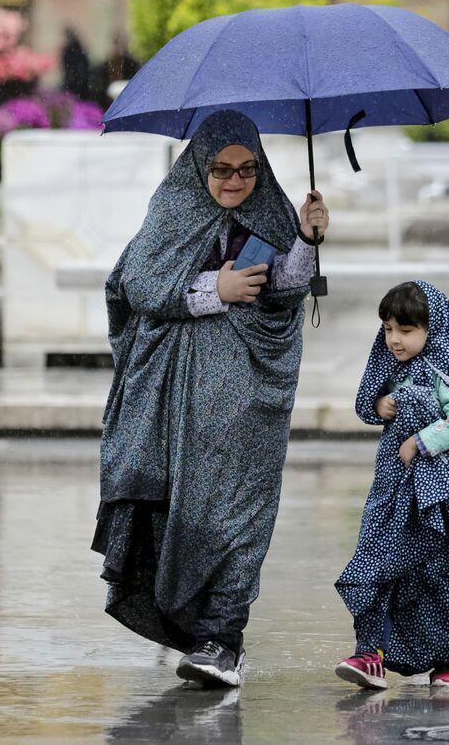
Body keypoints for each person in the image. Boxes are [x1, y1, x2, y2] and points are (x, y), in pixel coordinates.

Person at [91, 109, 330, 687]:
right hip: (176, 407)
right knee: (185, 513)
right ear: (200, 166)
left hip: (250, 399)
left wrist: (305, 237)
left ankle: (224, 638)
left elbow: (288, 290)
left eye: (248, 168)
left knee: (239, 513)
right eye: (221, 168)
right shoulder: (172, 210)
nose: (234, 181)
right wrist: (211, 289)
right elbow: (137, 282)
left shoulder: (271, 209)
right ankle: (199, 633)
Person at [334, 280, 449, 690]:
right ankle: (370, 652)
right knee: (377, 560)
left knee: (444, 572)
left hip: (440, 497)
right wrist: (380, 404)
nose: (395, 339)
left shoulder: (445, 372)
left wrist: (421, 441)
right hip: (395, 490)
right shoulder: (394, 370)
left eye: (406, 330)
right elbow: (372, 403)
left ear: (434, 329)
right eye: (389, 329)